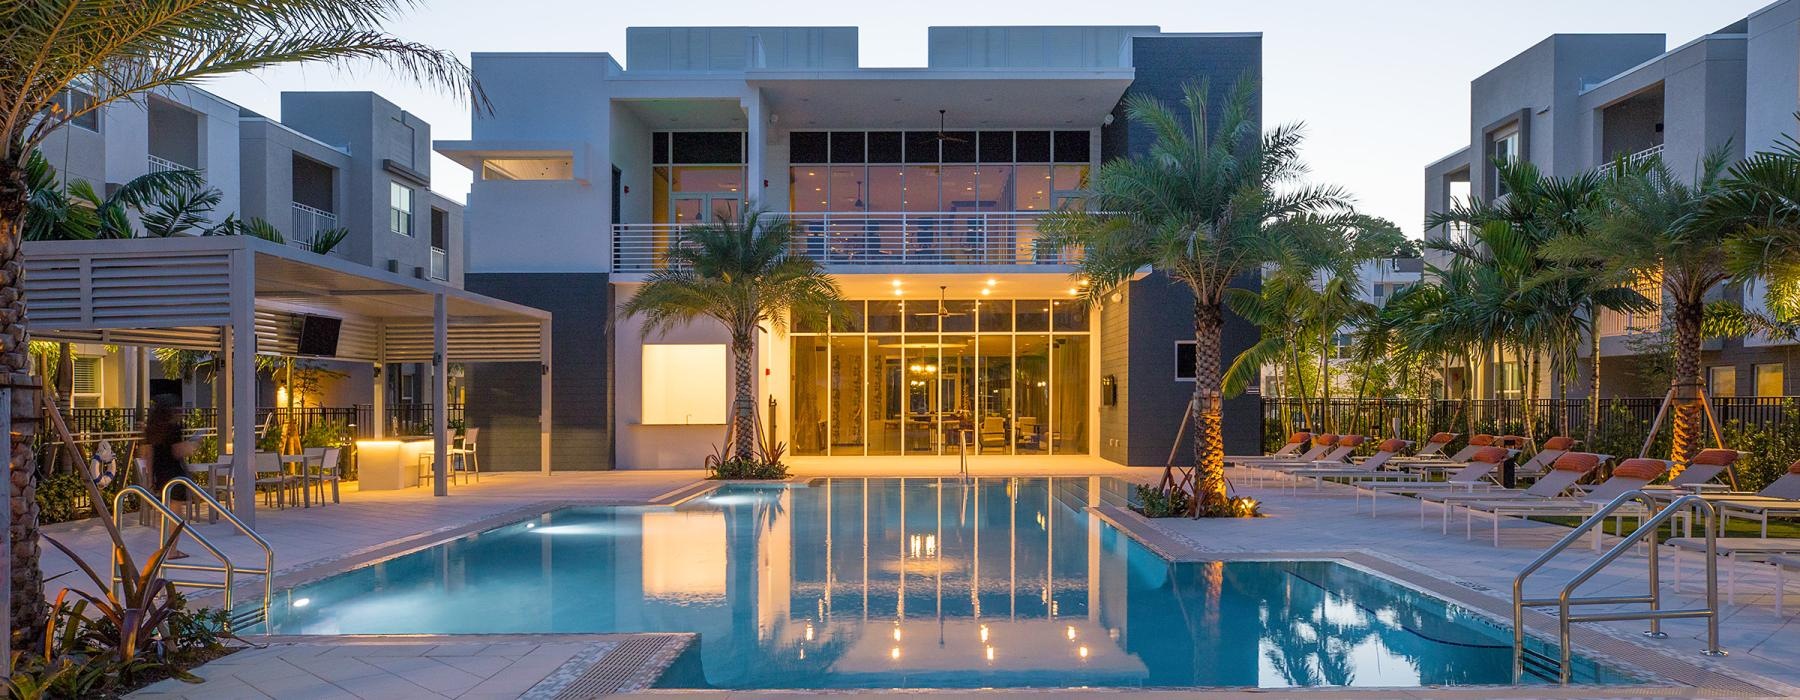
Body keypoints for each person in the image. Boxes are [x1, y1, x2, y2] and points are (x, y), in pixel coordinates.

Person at [143, 401, 196, 559]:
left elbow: (148, 455)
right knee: (176, 515)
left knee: (165, 514)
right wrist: (193, 445)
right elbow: (178, 451)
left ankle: (165, 547)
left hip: (160, 475)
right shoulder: (173, 428)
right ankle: (172, 550)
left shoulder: (151, 431)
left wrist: (150, 478)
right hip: (174, 473)